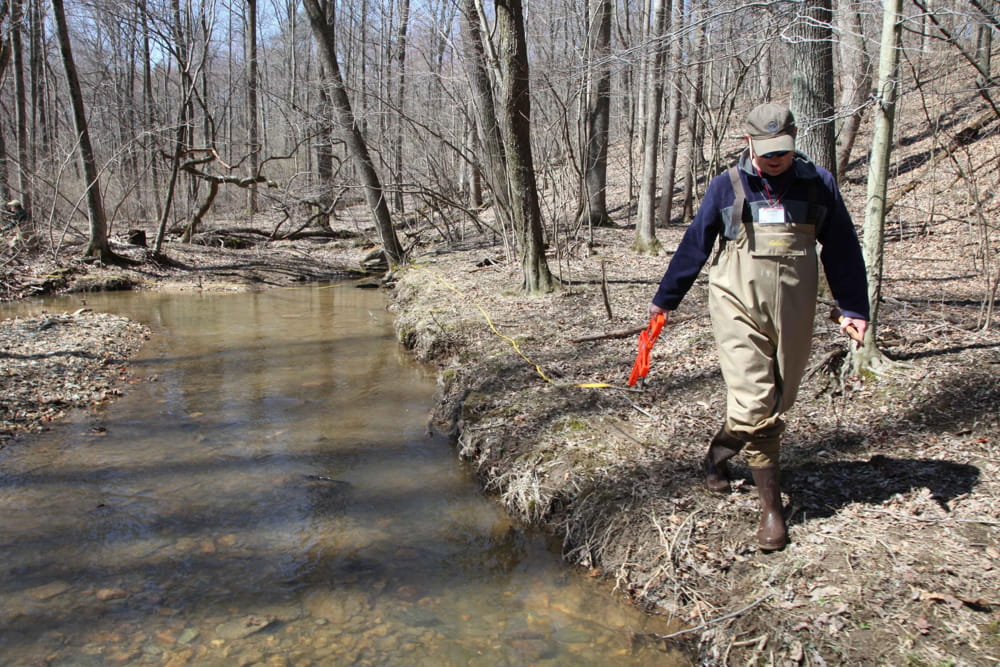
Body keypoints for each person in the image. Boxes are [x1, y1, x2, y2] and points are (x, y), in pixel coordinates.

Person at [648, 102, 869, 551]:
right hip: (735, 303)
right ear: (748, 143)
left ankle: (717, 453)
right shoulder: (727, 187)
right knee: (755, 400)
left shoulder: (817, 185)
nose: (774, 159)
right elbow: (695, 244)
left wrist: (853, 308)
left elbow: (842, 248)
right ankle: (772, 512)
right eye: (766, 151)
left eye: (782, 150)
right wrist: (665, 301)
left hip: (795, 306)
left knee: (779, 398)